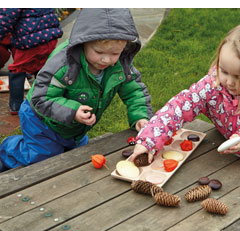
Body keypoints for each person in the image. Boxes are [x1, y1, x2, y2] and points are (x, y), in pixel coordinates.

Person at [0, 8, 153, 172]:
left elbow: (134, 91)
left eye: (115, 53)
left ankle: (61, 144)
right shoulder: (63, 65)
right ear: (83, 42)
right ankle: (8, 149)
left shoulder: (120, 64)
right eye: (99, 52)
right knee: (43, 158)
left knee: (77, 156)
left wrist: (141, 117)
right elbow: (41, 98)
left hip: (73, 127)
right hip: (41, 120)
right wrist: (73, 111)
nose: (106, 59)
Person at [130, 22, 240, 164]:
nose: (229, 82)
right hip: (231, 157)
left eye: (239, 77)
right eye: (224, 71)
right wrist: (149, 141)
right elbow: (179, 108)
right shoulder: (213, 85)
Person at [0, 8, 63, 115]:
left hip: (29, 39)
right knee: (43, 68)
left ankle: (16, 105)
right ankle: (43, 100)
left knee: (18, 69)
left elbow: (5, 20)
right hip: (49, 36)